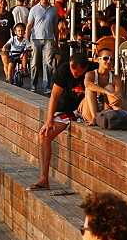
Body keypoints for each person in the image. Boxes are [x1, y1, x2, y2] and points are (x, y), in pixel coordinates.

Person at [30, 52, 97, 191]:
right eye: (73, 71)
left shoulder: (93, 69)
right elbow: (54, 96)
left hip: (84, 109)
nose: (74, 74)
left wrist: (87, 97)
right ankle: (44, 179)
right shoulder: (64, 70)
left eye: (78, 72)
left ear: (85, 68)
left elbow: (105, 84)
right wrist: (49, 121)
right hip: (65, 110)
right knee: (44, 135)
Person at [26, 0, 59, 94]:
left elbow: (55, 27)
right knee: (34, 63)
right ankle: (33, 84)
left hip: (49, 39)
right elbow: (29, 25)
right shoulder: (34, 9)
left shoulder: (53, 10)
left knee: (48, 63)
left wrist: (56, 40)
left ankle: (46, 86)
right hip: (36, 39)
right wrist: (27, 41)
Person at [82, 47, 125, 125]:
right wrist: (108, 92)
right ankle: (95, 118)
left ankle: (120, 115)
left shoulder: (115, 78)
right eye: (106, 58)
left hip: (107, 109)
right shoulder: (91, 74)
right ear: (98, 60)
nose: (109, 61)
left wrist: (118, 98)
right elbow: (88, 84)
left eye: (111, 59)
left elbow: (118, 94)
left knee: (110, 87)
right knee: (90, 90)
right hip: (90, 111)